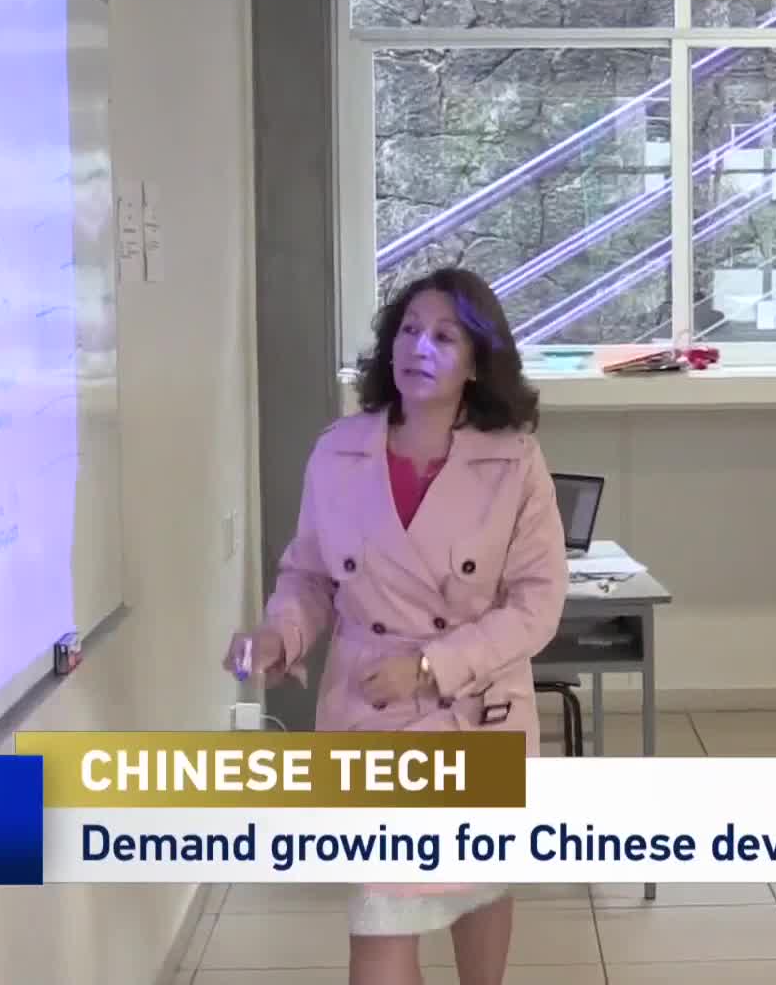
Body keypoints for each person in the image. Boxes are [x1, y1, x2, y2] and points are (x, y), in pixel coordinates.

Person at [223, 267, 567, 985]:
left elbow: (537, 603)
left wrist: (435, 666)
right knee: (379, 921)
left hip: (474, 712)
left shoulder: (515, 459)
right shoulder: (339, 452)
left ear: (477, 362)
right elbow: (310, 576)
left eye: (445, 336)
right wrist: (278, 636)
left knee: (479, 891)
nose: (421, 347)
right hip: (370, 714)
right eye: (410, 330)